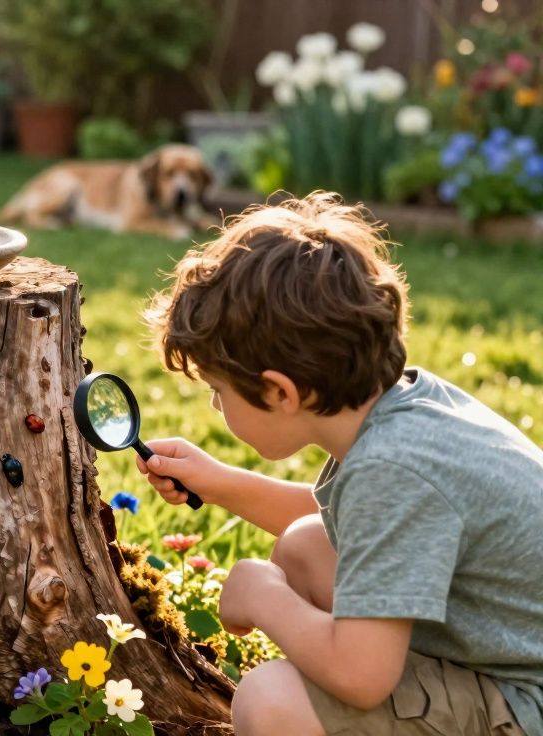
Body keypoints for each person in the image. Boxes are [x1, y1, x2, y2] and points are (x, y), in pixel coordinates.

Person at [136, 192, 543, 736]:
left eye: (218, 390)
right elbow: (370, 525)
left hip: (526, 700)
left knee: (272, 700)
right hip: (509, 651)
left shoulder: (395, 470)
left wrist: (263, 596)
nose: (215, 405)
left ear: (280, 391)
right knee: (308, 544)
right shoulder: (407, 411)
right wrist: (221, 483)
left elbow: (360, 677)